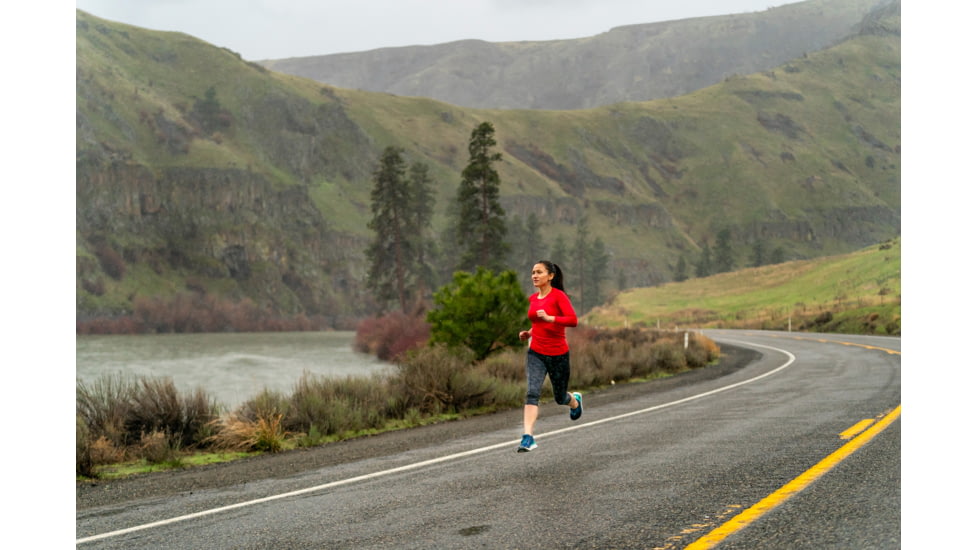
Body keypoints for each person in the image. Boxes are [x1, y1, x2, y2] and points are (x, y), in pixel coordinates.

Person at [516, 260, 582, 452]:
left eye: (539, 272)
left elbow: (573, 320)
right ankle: (528, 437)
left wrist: (551, 318)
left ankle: (574, 400)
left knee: (560, 397)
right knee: (532, 393)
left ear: (550, 276)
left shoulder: (559, 297)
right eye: (533, 272)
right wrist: (528, 333)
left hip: (558, 354)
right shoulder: (533, 299)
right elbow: (538, 324)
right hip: (536, 352)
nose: (534, 276)